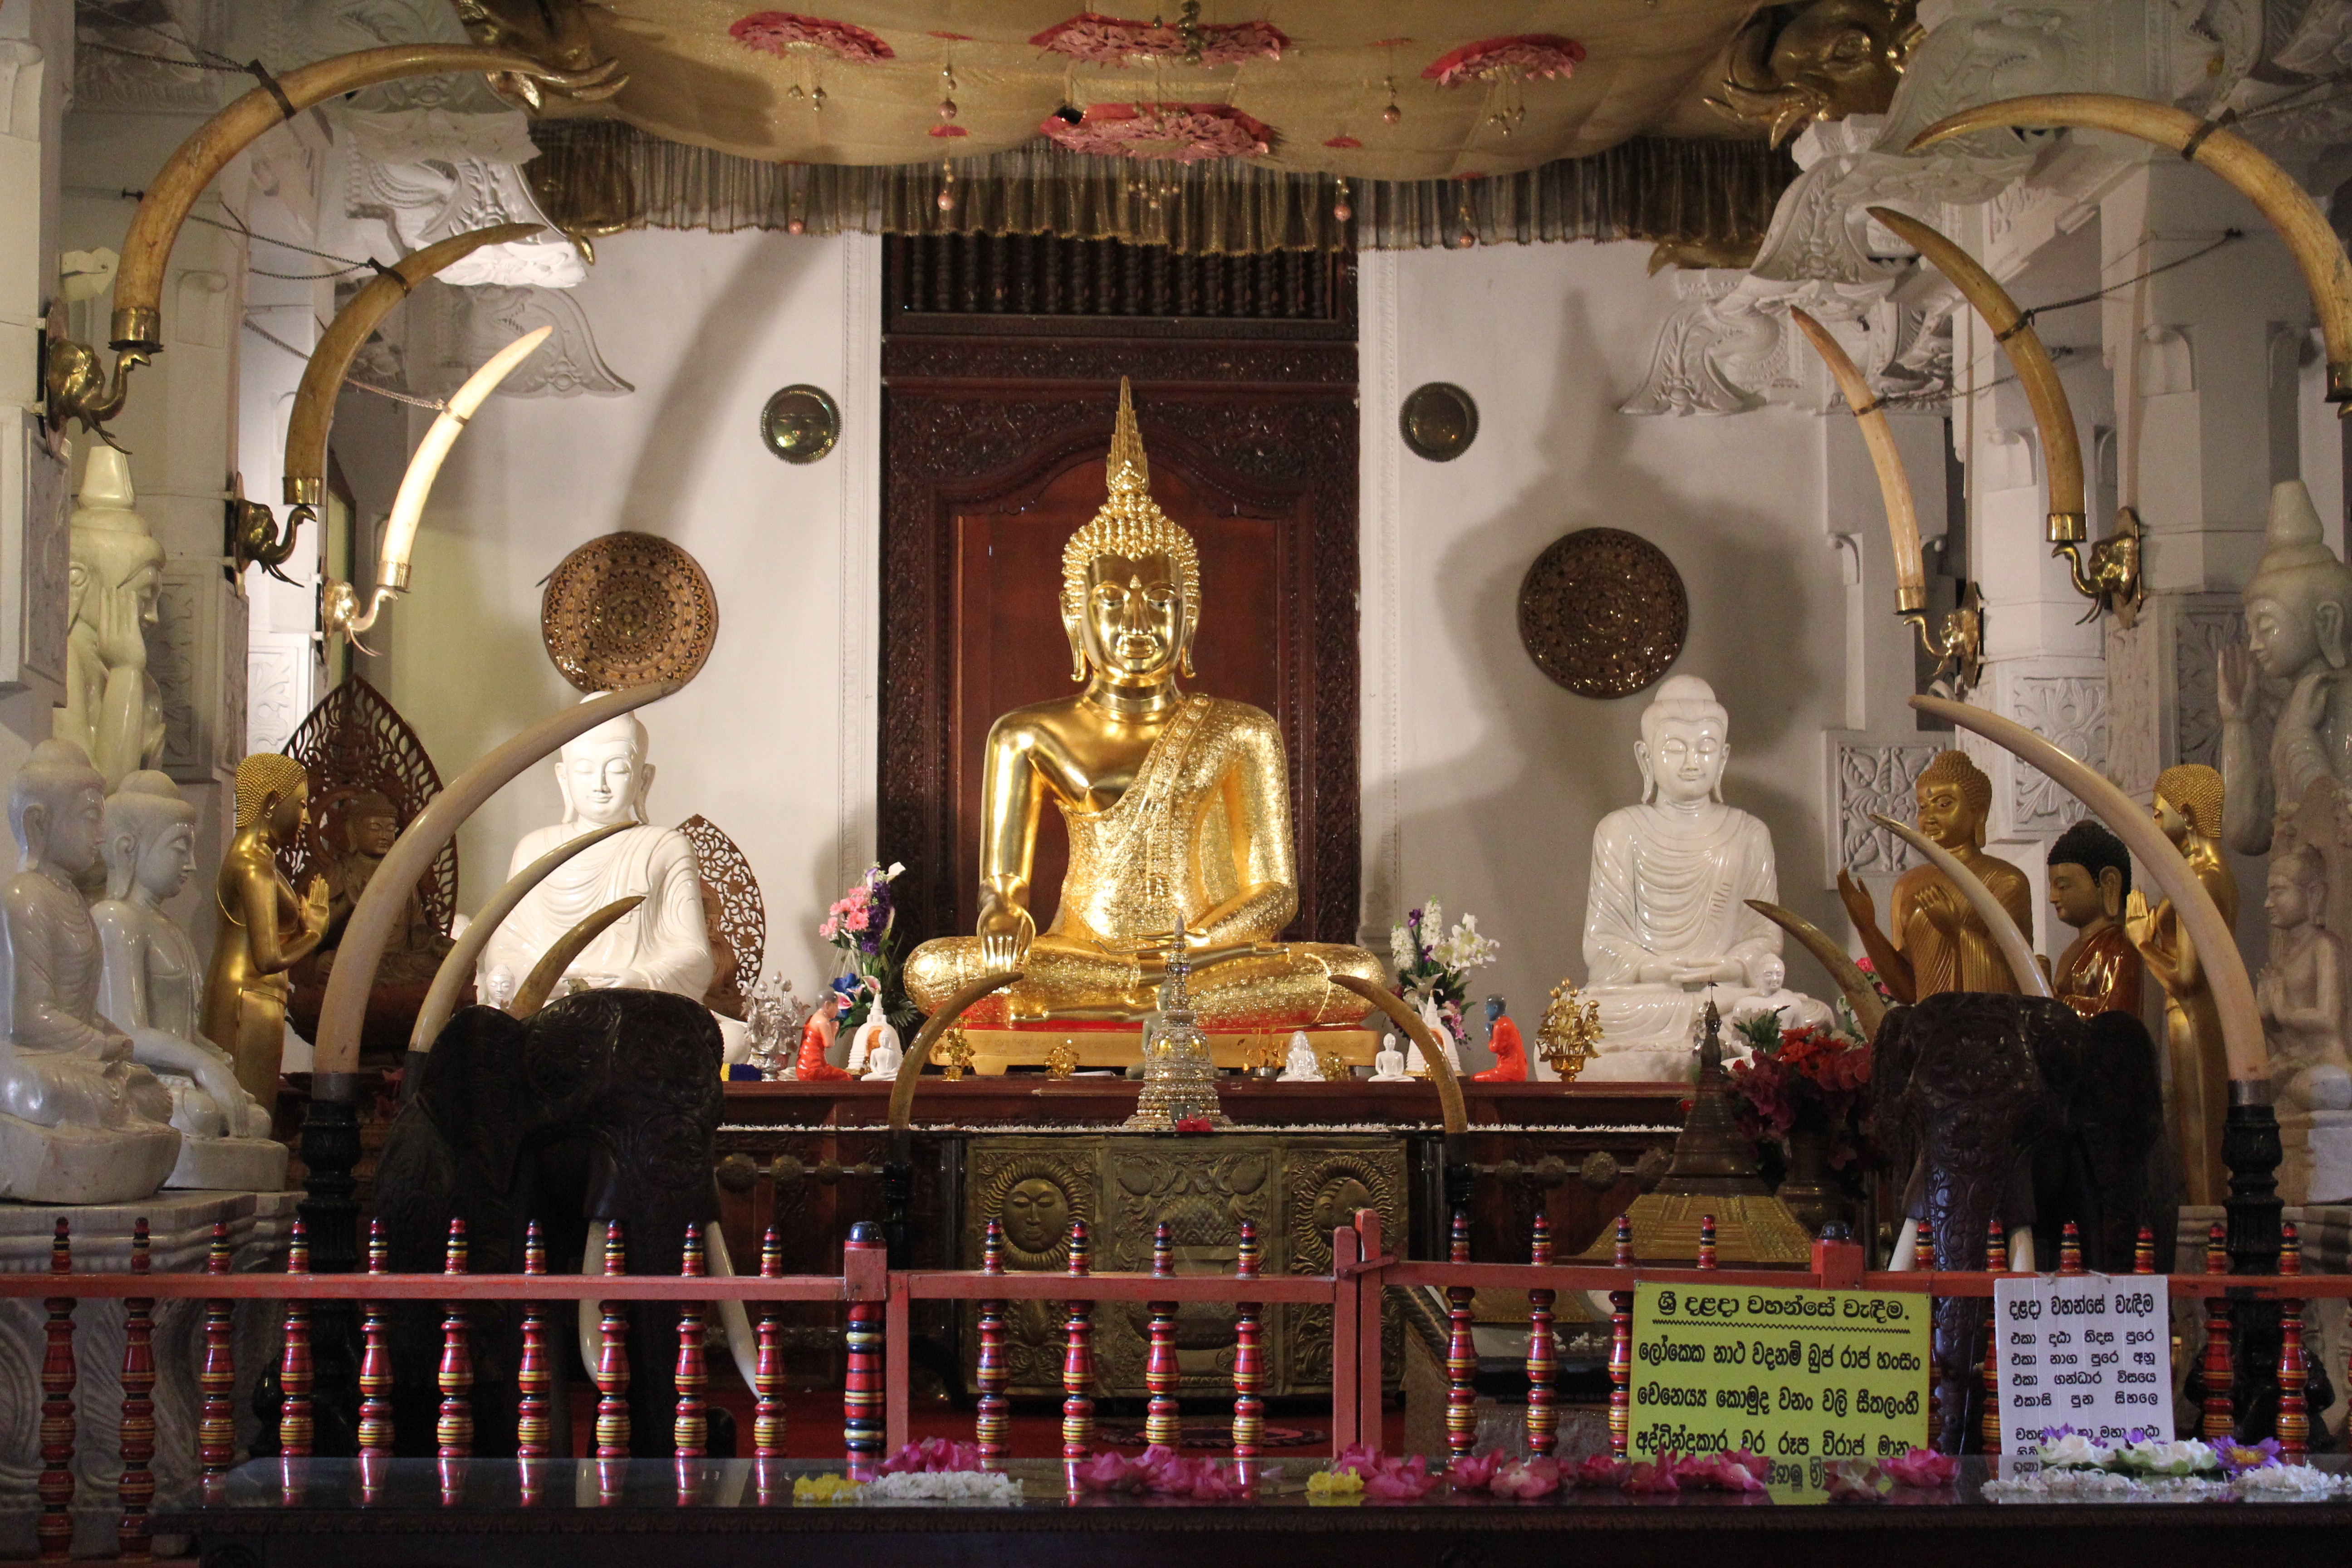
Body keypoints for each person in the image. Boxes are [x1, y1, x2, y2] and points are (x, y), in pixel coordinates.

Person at [904, 380, 1385, 1030]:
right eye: (1111, 603)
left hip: (1208, 960)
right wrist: (1001, 917)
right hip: (1082, 953)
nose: (1137, 622)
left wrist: (1196, 948)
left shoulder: (1243, 730)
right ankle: (1143, 999)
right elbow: (1003, 883)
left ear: (1190, 619)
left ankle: (1140, 999)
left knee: (1358, 975)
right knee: (935, 970)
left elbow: (1275, 894)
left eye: (1159, 603)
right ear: (1075, 620)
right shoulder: (1027, 734)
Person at [1582, 675, 1827, 1078]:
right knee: (1581, 1015)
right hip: (1650, 999)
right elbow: (1601, 943)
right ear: (1646, 758)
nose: (1693, 761)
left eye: (1706, 748)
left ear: (1724, 757)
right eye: (1676, 748)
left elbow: (1766, 939)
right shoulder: (1619, 831)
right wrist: (1656, 969)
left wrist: (1727, 967)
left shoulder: (1749, 833)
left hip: (1728, 993)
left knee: (1810, 1016)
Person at [0, 740, 179, 1201]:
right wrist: (101, 1044)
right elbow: (29, 1019)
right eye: (89, 817)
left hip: (75, 1056)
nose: (100, 834)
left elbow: (80, 1008)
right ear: (38, 822)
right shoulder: (24, 896)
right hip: (29, 1059)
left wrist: (108, 1039)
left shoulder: (74, 900)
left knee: (151, 1097)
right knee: (54, 1094)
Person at [2045, 820, 2143, 1018]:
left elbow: (2113, 1020)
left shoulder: (2118, 950)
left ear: (2108, 883)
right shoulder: (2073, 949)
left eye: (2063, 886)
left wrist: (2056, 1002)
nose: (2052, 897)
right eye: (2052, 887)